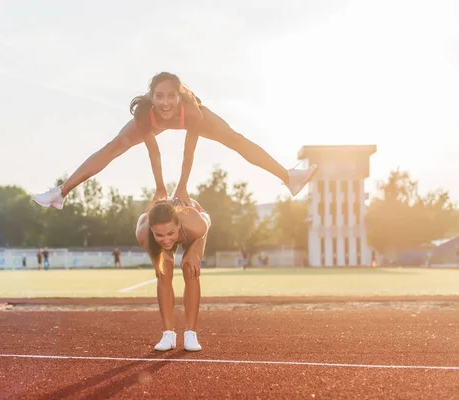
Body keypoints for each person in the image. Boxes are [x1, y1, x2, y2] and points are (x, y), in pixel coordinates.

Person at [31, 72, 317, 209]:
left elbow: (188, 151)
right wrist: (159, 187)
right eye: (159, 96)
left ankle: (288, 177)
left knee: (235, 139)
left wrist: (181, 187)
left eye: (170, 96)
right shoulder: (145, 115)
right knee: (113, 147)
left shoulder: (192, 111)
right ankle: (61, 192)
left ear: (179, 97)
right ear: (151, 97)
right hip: (151, 125)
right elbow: (153, 152)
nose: (165, 102)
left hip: (195, 119)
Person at [136, 197, 210, 352]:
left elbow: (207, 222)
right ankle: (168, 335)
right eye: (159, 235)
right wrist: (160, 256)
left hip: (193, 231)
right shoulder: (143, 232)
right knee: (163, 271)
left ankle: (191, 334)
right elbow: (160, 244)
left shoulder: (193, 223)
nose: (166, 240)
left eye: (170, 233)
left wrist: (195, 251)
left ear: (178, 225)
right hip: (166, 230)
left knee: (190, 268)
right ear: (151, 230)